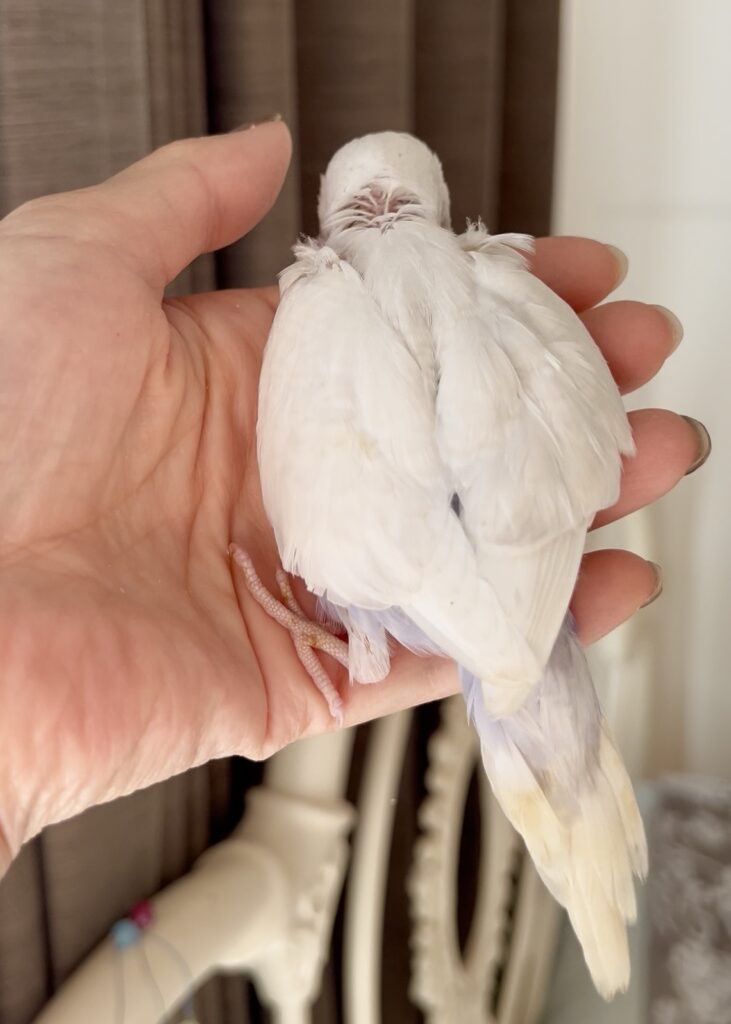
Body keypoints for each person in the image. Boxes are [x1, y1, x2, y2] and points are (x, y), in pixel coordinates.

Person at [0, 118, 709, 878]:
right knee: (555, 755)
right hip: (524, 586)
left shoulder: (309, 315)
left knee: (539, 752)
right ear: (438, 202)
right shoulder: (515, 288)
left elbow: (364, 542)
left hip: (432, 603)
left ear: (326, 207)